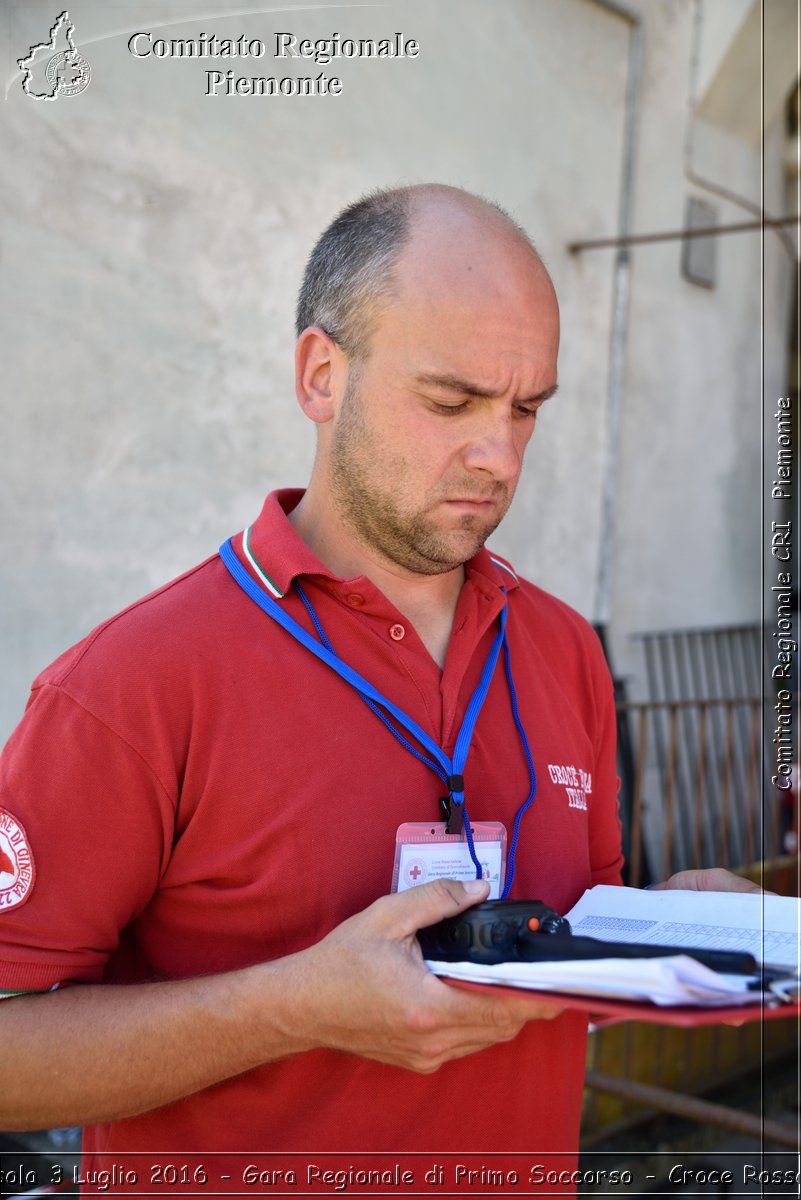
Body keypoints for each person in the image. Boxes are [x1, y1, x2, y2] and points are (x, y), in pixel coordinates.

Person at [0, 184, 757, 1190]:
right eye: (451, 400)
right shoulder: (132, 683)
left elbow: (564, 935)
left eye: (526, 408)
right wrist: (291, 1007)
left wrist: (672, 933)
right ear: (321, 374)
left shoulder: (566, 649)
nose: (499, 454)